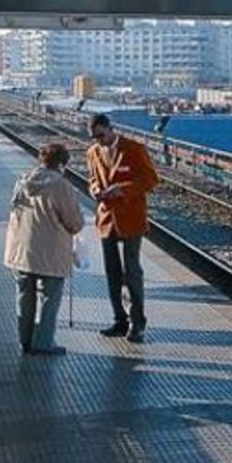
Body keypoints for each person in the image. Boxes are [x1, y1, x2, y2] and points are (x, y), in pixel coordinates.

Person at [4, 144, 84, 355]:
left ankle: (25, 340)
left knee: (24, 295)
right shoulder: (61, 186)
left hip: (21, 248)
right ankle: (43, 342)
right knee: (50, 298)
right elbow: (74, 222)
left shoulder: (23, 180)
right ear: (62, 164)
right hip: (51, 251)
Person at [85, 114, 158, 343]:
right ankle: (119, 319)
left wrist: (123, 189)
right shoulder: (93, 152)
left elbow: (151, 180)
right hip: (107, 217)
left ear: (110, 128)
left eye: (101, 135)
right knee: (112, 272)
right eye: (95, 137)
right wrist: (96, 189)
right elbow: (92, 179)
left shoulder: (135, 149)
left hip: (131, 217)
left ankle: (138, 323)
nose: (99, 141)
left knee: (132, 270)